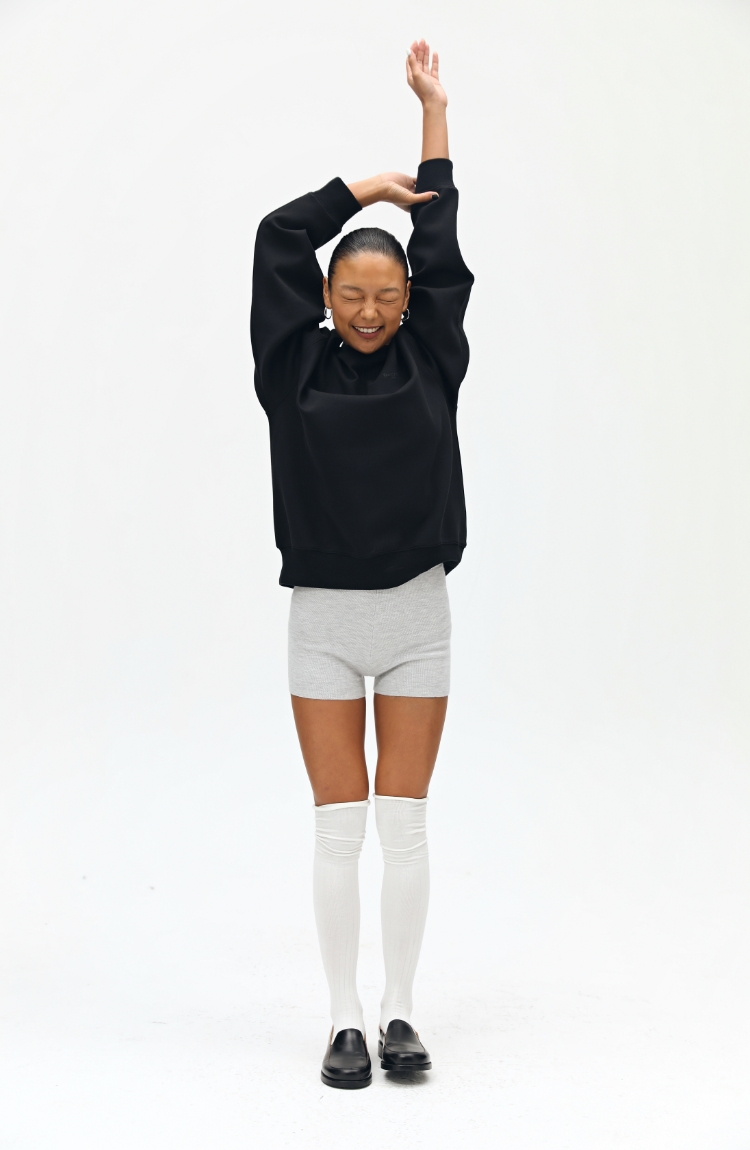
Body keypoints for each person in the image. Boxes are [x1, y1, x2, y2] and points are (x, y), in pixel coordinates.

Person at [251, 39, 473, 1088]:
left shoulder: (436, 354)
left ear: (411, 301)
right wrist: (356, 191)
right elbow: (275, 235)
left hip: (417, 617)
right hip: (325, 627)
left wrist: (433, 117)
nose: (373, 311)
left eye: (389, 295)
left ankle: (400, 1013)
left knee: (406, 824)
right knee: (340, 829)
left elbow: (443, 240)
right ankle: (343, 1019)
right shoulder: (289, 365)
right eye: (353, 294)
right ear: (326, 296)